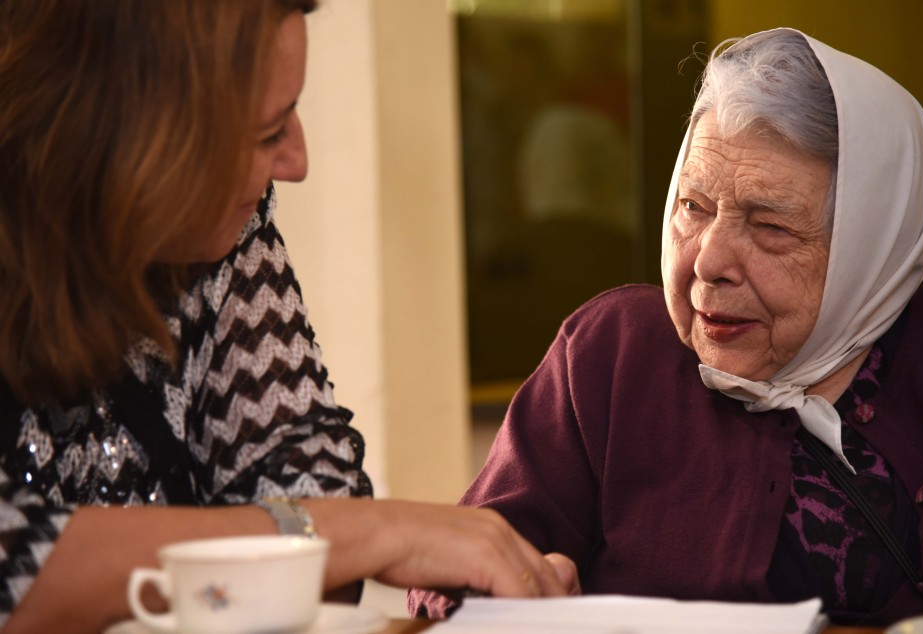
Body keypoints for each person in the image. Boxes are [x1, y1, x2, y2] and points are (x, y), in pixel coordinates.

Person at [0, 2, 578, 632]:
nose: (296, 162)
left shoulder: (224, 235)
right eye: (267, 133)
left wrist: (341, 531)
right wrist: (366, 532)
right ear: (130, 137)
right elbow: (15, 565)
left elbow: (306, 468)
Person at [410, 28, 923, 627]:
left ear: (871, 246)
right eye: (694, 207)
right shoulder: (612, 355)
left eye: (770, 226)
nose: (709, 263)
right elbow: (455, 580)